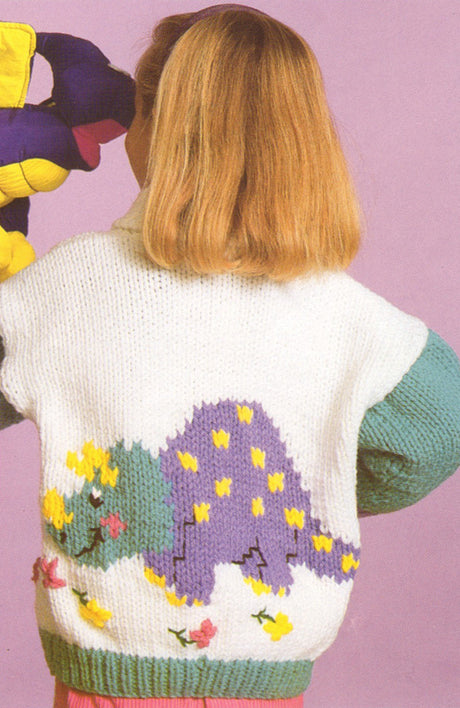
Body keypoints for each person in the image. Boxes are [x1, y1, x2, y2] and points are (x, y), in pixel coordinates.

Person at [0, 5, 459, 707]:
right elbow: (438, 431)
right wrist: (310, 492)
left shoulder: (66, 286)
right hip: (268, 683)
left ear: (153, 127)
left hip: (107, 683)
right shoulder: (345, 313)